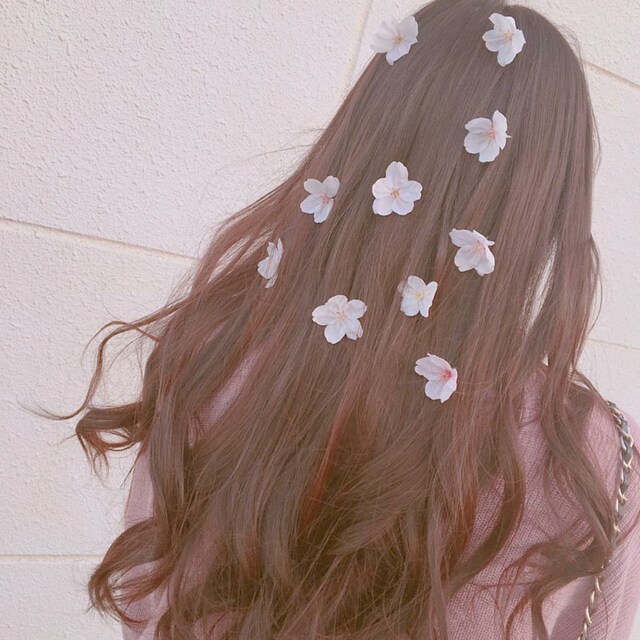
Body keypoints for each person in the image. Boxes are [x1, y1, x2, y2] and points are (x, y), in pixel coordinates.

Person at [58, 0, 640, 637]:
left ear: (362, 138)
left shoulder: (217, 347)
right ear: (549, 205)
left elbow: (151, 603)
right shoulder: (597, 460)